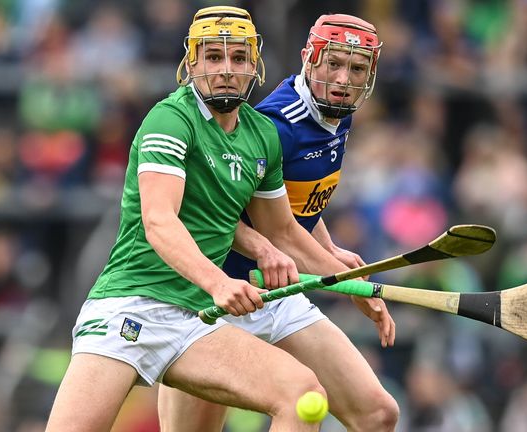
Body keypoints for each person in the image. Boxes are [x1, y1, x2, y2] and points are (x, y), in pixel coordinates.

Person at [46, 7, 394, 432]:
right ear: (191, 63)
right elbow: (159, 221)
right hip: (132, 306)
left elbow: (283, 230)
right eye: (213, 57)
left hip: (196, 318)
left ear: (255, 66)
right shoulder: (170, 119)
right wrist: (219, 281)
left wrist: (346, 280)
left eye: (238, 59)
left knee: (304, 395)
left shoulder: (259, 134)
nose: (226, 70)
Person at [158, 13, 400, 432]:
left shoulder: (334, 113)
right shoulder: (277, 125)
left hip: (279, 296)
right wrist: (351, 283)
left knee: (378, 415)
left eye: (357, 68)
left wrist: (328, 247)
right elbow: (226, 217)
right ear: (310, 59)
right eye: (334, 64)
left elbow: (288, 206)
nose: (343, 78)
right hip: (220, 299)